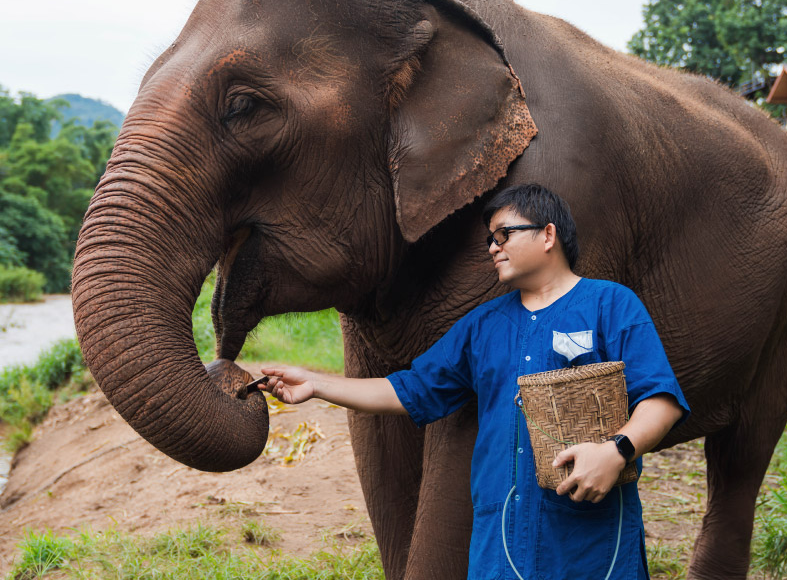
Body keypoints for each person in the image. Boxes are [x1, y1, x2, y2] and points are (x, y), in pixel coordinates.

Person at [263, 184, 688, 579]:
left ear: (548, 235)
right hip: (501, 544)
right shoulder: (483, 326)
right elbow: (408, 388)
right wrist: (316, 385)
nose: (492, 248)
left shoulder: (610, 305)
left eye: (503, 234)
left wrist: (617, 452)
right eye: (489, 239)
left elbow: (661, 399)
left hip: (592, 542)